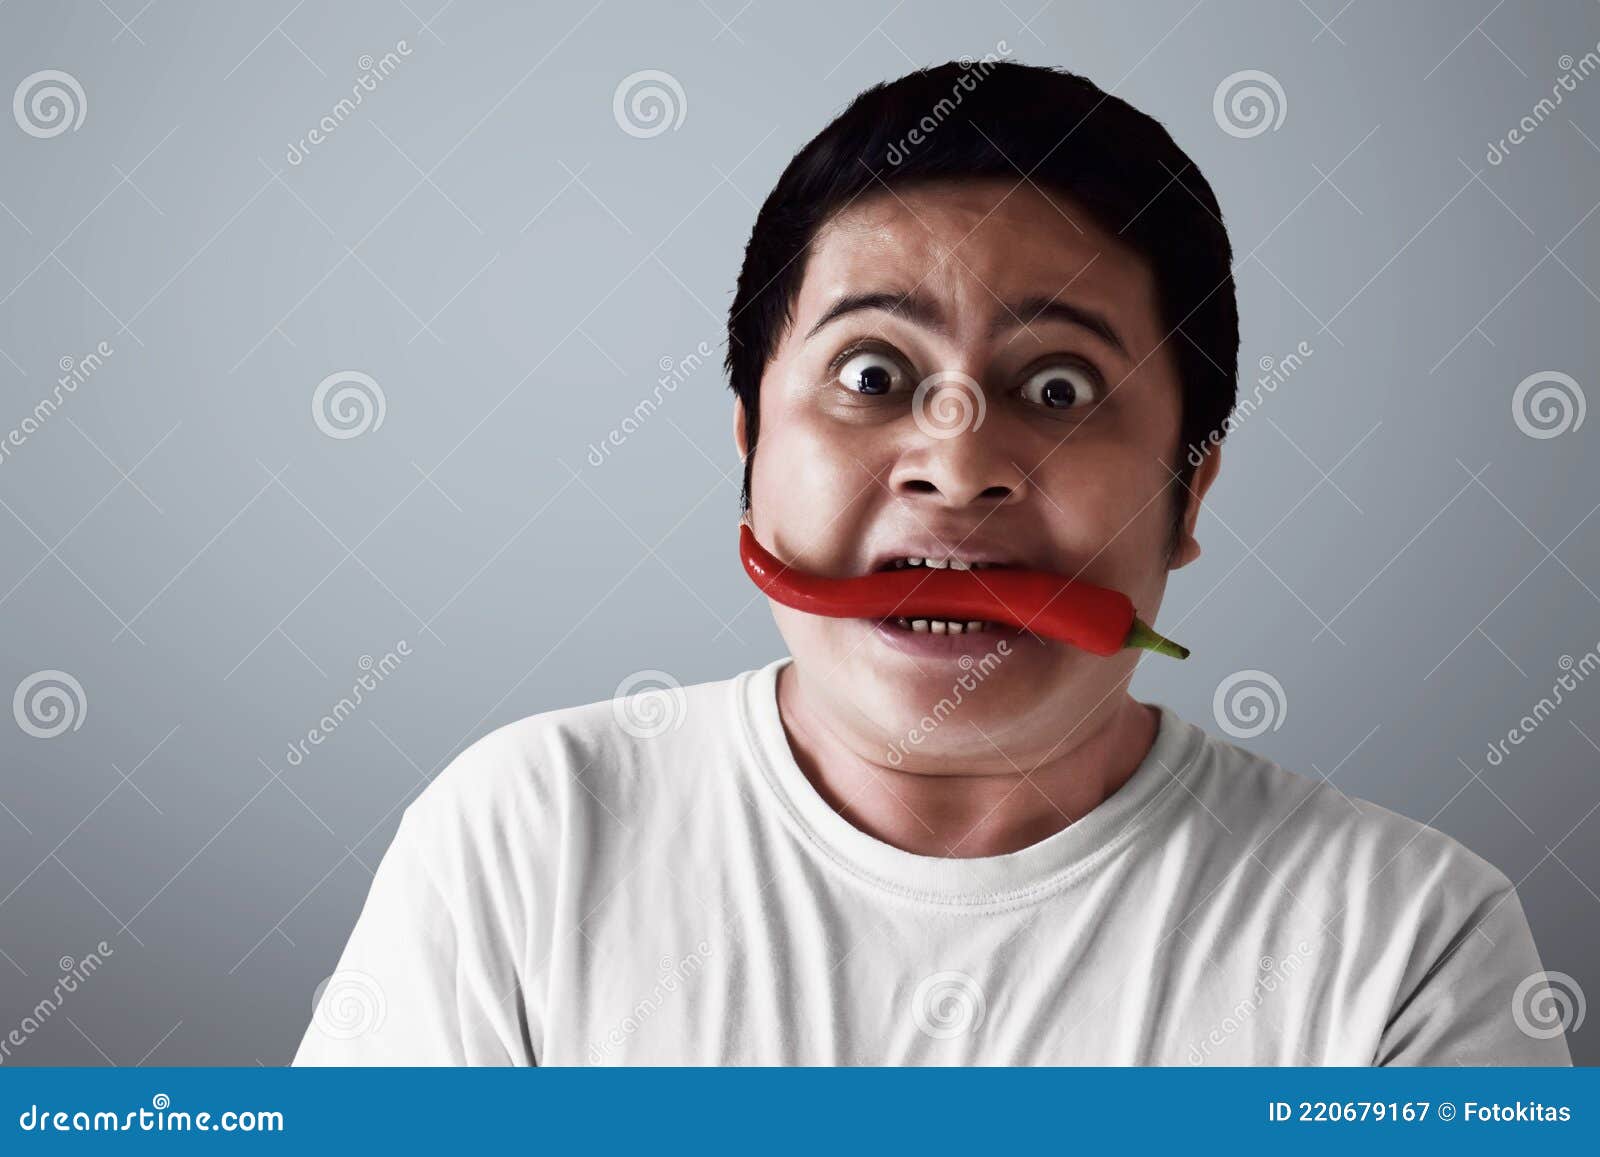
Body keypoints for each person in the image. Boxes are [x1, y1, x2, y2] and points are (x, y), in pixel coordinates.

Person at [294, 61, 1570, 1066]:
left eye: (1059, 384)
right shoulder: (529, 834)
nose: (958, 464)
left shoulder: (1403, 935)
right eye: (871, 375)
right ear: (748, 447)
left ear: (1193, 486)